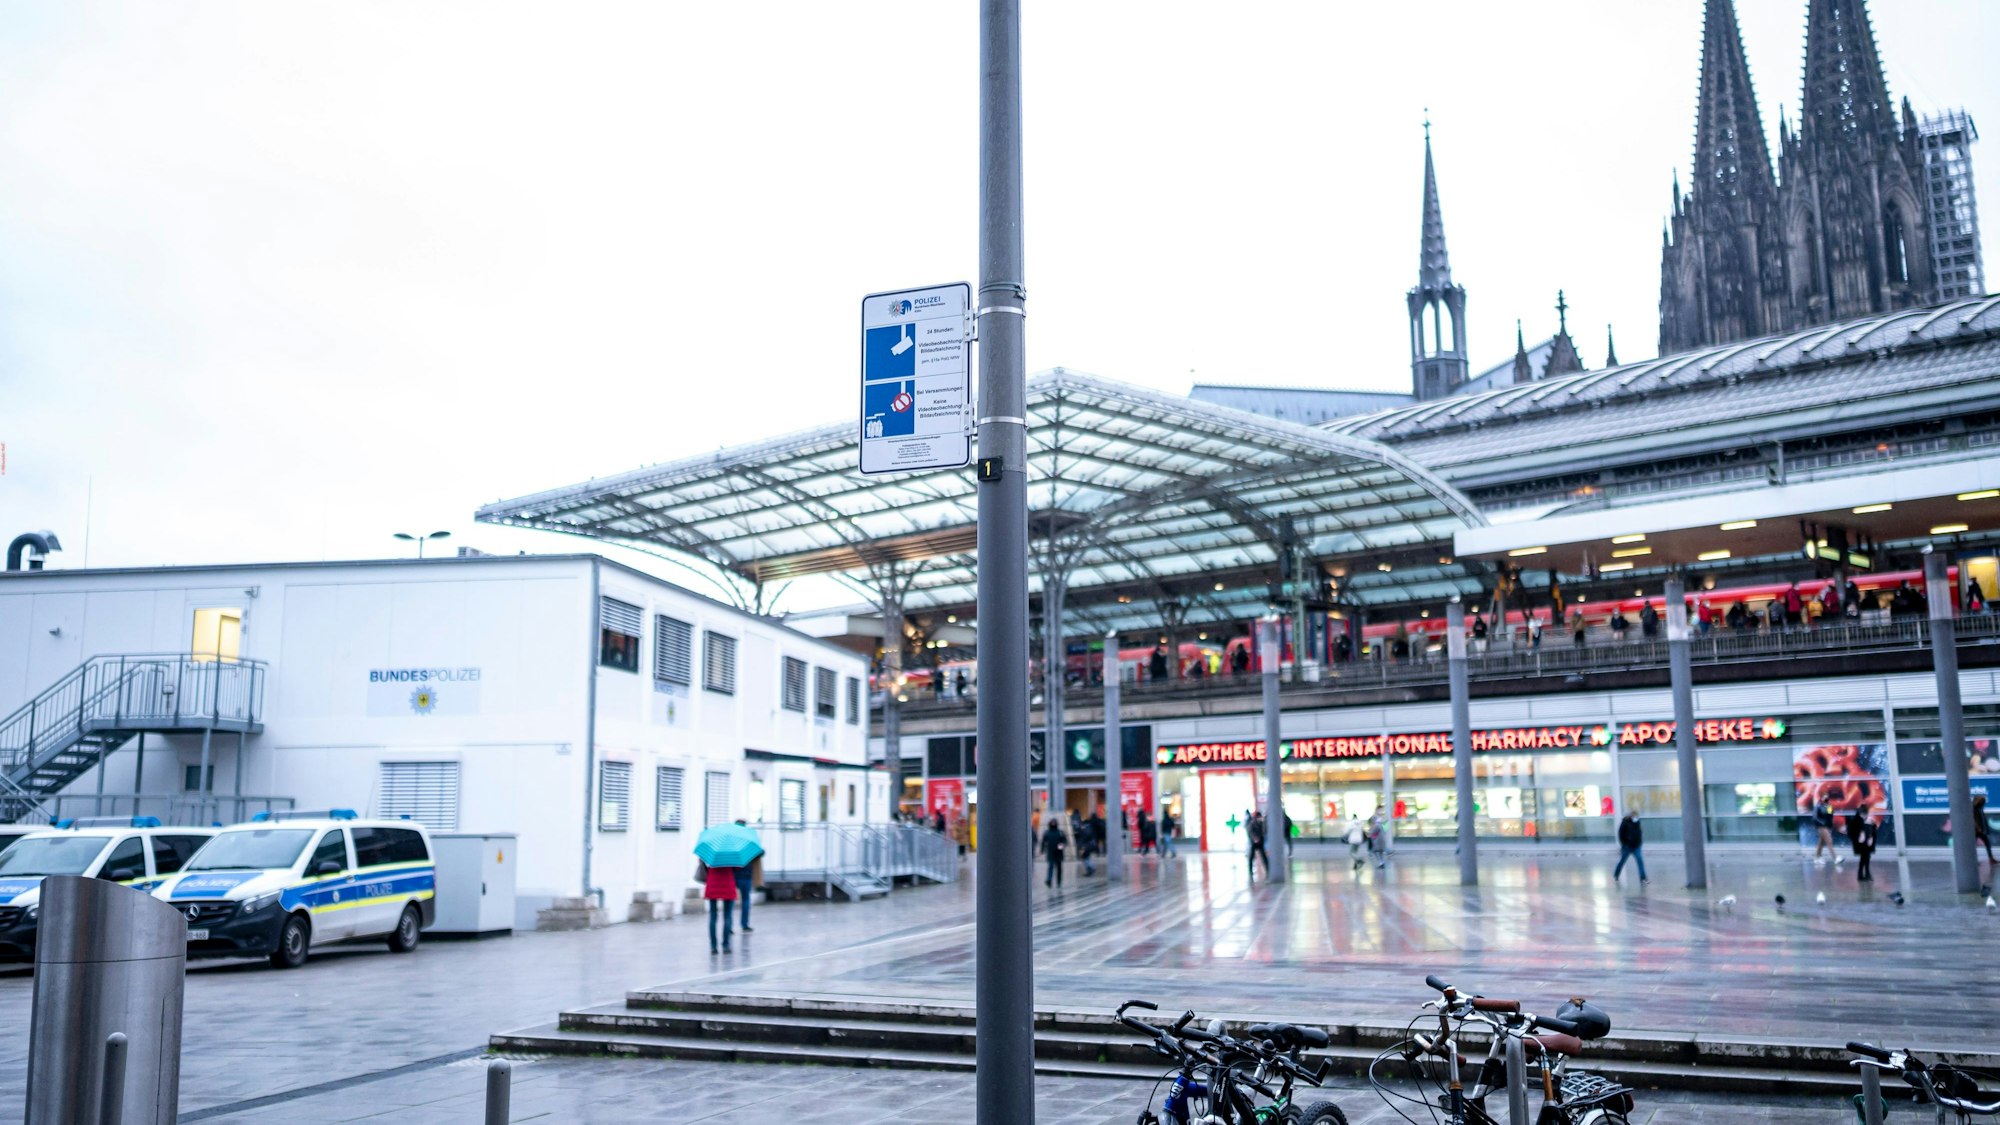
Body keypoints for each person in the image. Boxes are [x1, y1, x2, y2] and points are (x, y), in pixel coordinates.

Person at [730, 818, 763, 934]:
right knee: (745, 900)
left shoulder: (730, 839)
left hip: (732, 875)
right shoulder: (749, 839)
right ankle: (744, 924)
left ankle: (729, 926)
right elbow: (761, 852)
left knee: (731, 901)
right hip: (746, 874)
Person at [701, 861, 739, 954]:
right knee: (727, 916)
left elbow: (703, 866)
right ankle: (726, 945)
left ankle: (713, 947)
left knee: (713, 917)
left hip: (713, 882)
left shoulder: (710, 850)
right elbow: (737, 869)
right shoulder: (731, 852)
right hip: (728, 882)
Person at [1613, 811, 1647, 884]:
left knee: (1640, 862)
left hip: (1636, 846)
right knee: (1622, 861)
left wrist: (1639, 843)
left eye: (1637, 817)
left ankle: (1643, 878)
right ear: (1631, 816)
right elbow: (1620, 834)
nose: (1636, 818)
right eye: (1634, 817)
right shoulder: (1625, 822)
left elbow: (1639, 833)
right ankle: (1616, 876)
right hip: (1627, 847)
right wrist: (1624, 844)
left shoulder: (1637, 823)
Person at [1852, 810, 1879, 883]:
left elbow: (1873, 828)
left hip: (1867, 841)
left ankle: (1863, 874)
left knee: (1865, 857)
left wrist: (1870, 836)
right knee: (1865, 857)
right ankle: (1865, 874)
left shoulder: (1868, 820)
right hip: (1862, 842)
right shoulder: (1859, 820)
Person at [1040, 816, 1067, 888]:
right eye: (1052, 822)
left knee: (1059, 868)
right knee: (1050, 867)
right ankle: (1049, 880)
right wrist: (1042, 849)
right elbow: (1043, 842)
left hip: (1058, 853)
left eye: (1054, 822)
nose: (1053, 824)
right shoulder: (1047, 832)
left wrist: (1061, 847)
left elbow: (1064, 841)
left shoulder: (1060, 832)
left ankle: (1058, 881)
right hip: (1051, 853)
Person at [1812, 799, 1839, 864]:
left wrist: (1830, 826)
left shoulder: (1828, 806)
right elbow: (1815, 818)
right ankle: (1835, 858)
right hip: (1821, 826)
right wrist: (1823, 823)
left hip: (1826, 826)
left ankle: (1817, 857)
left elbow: (1829, 816)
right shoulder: (1818, 806)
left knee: (1821, 842)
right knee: (1829, 841)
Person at [1246, 810, 1269, 881]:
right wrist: (1254, 838)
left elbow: (1264, 831)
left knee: (1264, 857)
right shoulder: (1252, 823)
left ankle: (1268, 870)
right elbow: (1250, 832)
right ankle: (1250, 871)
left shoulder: (1262, 823)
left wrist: (1259, 837)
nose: (1260, 818)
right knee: (1251, 857)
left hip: (1260, 842)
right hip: (1254, 843)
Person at [1083, 807, 1106, 875]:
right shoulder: (1099, 821)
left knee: (1085, 855)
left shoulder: (1090, 824)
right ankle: (1091, 866)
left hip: (1091, 841)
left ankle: (1092, 867)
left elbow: (1088, 833)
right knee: (1087, 855)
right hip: (1097, 839)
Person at [1975, 793, 1996, 865]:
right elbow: (1973, 820)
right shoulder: (1974, 809)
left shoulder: (1980, 809)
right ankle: (1973, 859)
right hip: (1976, 830)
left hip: (1981, 830)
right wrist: (1978, 827)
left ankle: (1991, 858)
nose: (1983, 803)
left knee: (1987, 843)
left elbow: (1982, 819)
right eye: (1981, 801)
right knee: (1973, 845)